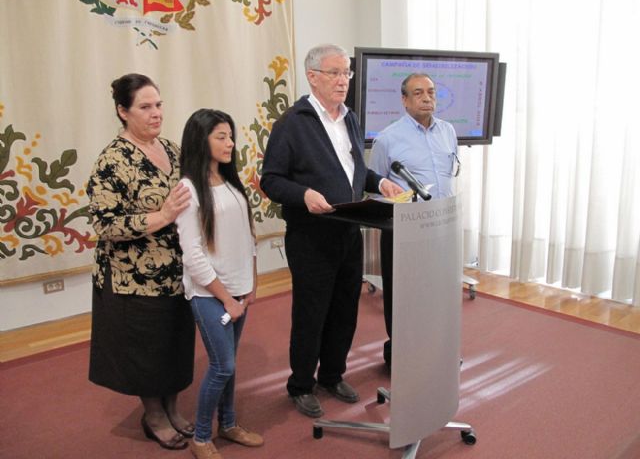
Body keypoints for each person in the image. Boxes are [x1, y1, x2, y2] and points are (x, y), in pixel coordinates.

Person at [260, 44, 403, 418]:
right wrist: (303, 193)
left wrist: (380, 181)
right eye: (335, 73)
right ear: (313, 77)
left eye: (347, 74)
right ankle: (301, 384)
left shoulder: (350, 119)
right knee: (312, 312)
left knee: (344, 310)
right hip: (311, 236)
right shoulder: (292, 123)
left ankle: (332, 375)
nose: (343, 81)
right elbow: (271, 180)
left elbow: (354, 171)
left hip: (348, 232)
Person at [87, 73, 195, 450]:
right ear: (123, 111)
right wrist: (162, 216)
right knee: (148, 351)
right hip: (134, 277)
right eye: (145, 107)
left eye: (159, 105)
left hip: (179, 273)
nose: (156, 114)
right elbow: (105, 223)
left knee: (176, 344)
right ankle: (154, 415)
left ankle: (172, 406)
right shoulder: (112, 160)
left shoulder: (172, 148)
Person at [176, 109, 264, 459]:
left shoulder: (229, 182)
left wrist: (251, 282)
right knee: (222, 365)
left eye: (231, 136)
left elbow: (247, 236)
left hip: (238, 290)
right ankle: (201, 437)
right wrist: (227, 298)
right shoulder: (187, 189)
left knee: (231, 363)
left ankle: (228, 425)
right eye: (221, 137)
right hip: (210, 294)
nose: (230, 143)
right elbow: (192, 255)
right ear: (202, 140)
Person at [369, 72, 459, 368]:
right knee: (403, 297)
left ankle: (436, 351)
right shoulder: (388, 139)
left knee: (438, 293)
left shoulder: (448, 131)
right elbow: (376, 187)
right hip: (405, 230)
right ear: (404, 100)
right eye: (418, 93)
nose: (427, 98)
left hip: (442, 226)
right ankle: (403, 356)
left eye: (431, 92)